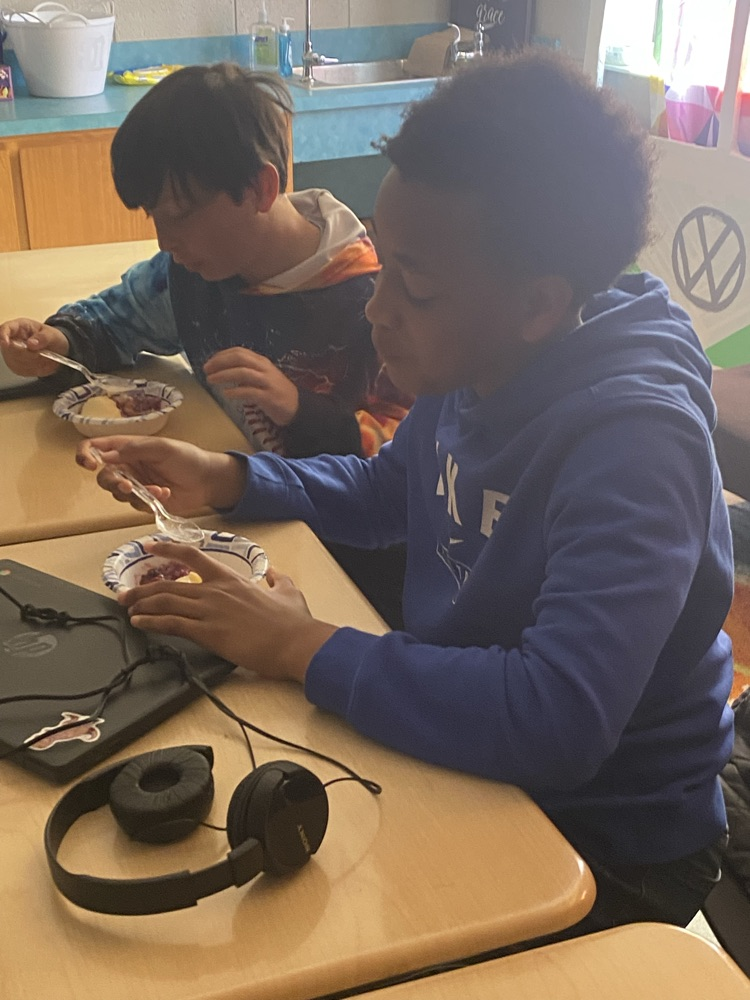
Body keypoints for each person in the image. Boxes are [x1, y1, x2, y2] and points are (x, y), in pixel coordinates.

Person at [77, 49, 734, 936]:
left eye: (414, 288)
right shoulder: (478, 358)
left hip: (608, 839)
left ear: (537, 304)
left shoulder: (635, 444)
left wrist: (307, 647)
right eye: (385, 268)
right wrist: (230, 477)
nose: (378, 310)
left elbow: (558, 718)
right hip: (477, 759)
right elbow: (392, 489)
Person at [0, 62, 409, 459]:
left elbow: (409, 445)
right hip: (223, 496)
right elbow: (116, 321)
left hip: (315, 524)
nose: (164, 242)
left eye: (179, 215)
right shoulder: (189, 274)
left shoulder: (372, 299)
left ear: (259, 188)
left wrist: (298, 409)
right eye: (153, 217)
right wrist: (58, 345)